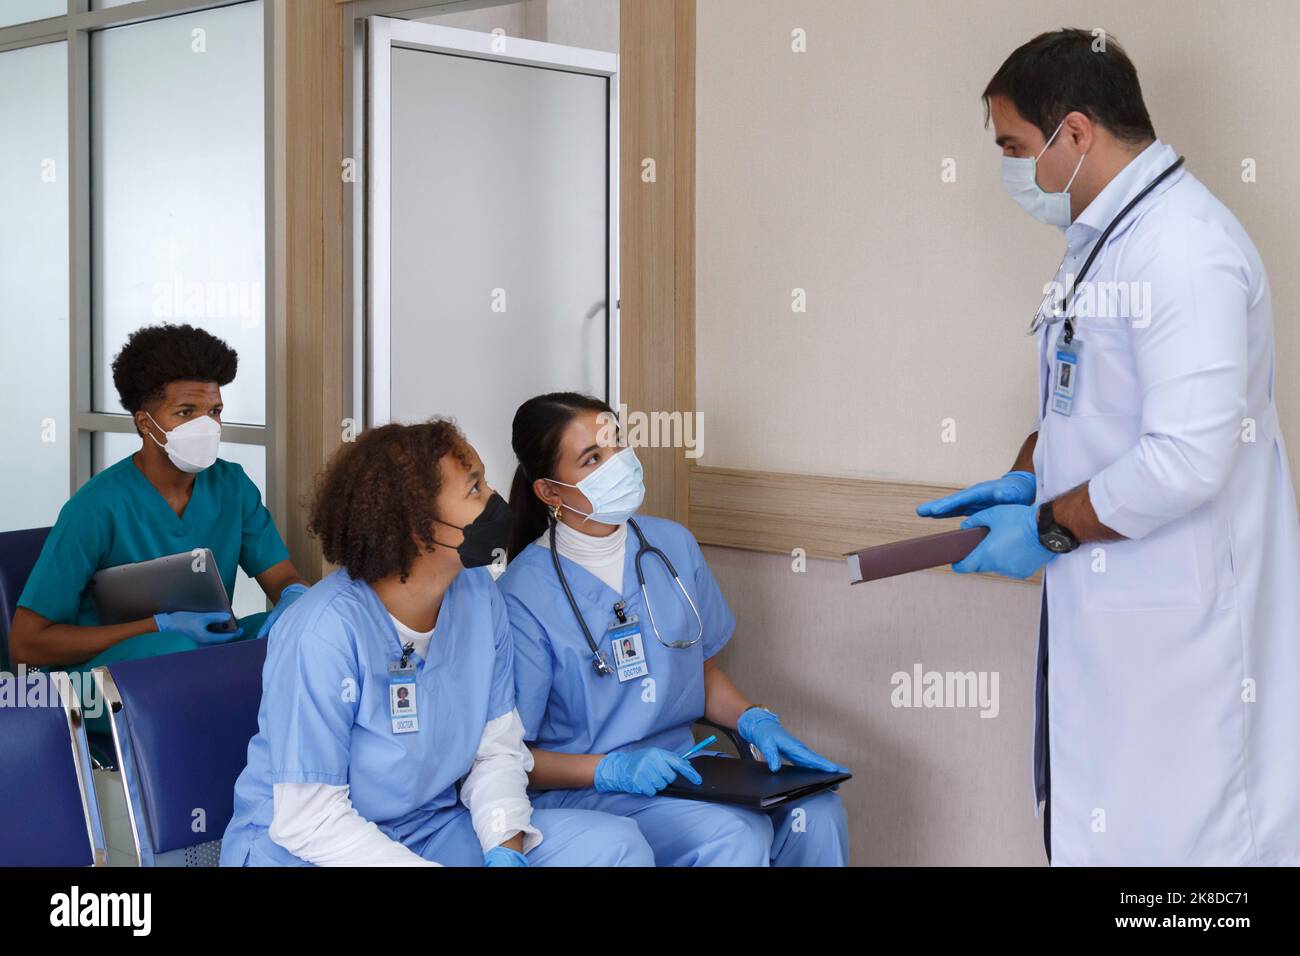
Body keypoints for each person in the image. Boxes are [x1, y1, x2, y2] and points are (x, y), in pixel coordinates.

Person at [917, 29, 1300, 865]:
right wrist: (1027, 478)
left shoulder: (1183, 250)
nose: (1016, 172)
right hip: (1118, 629)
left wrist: (1050, 524)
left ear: (1077, 133)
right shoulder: (1107, 244)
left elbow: (1187, 459)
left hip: (1184, 650)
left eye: (1016, 148)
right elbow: (1084, 402)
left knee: (1183, 874)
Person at [221, 419, 653, 867]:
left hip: (429, 826)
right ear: (416, 525)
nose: (494, 501)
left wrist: (504, 842)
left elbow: (495, 749)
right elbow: (309, 820)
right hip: (306, 849)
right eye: (474, 490)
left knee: (616, 846)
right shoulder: (323, 632)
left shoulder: (479, 594)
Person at [498, 392, 849, 867]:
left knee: (819, 810)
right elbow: (512, 757)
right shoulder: (523, 594)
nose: (618, 463)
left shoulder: (672, 546)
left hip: (688, 767)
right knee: (735, 834)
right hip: (589, 792)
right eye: (593, 459)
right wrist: (612, 770)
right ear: (550, 492)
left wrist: (754, 718)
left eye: (617, 443)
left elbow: (699, 674)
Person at [9, 324, 307, 725]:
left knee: (287, 639)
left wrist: (295, 602)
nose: (207, 426)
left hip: (191, 665)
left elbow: (283, 578)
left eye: (214, 411)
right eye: (186, 413)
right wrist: (153, 627)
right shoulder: (96, 507)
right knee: (172, 649)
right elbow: (26, 644)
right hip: (91, 685)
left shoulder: (232, 486)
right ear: (146, 423)